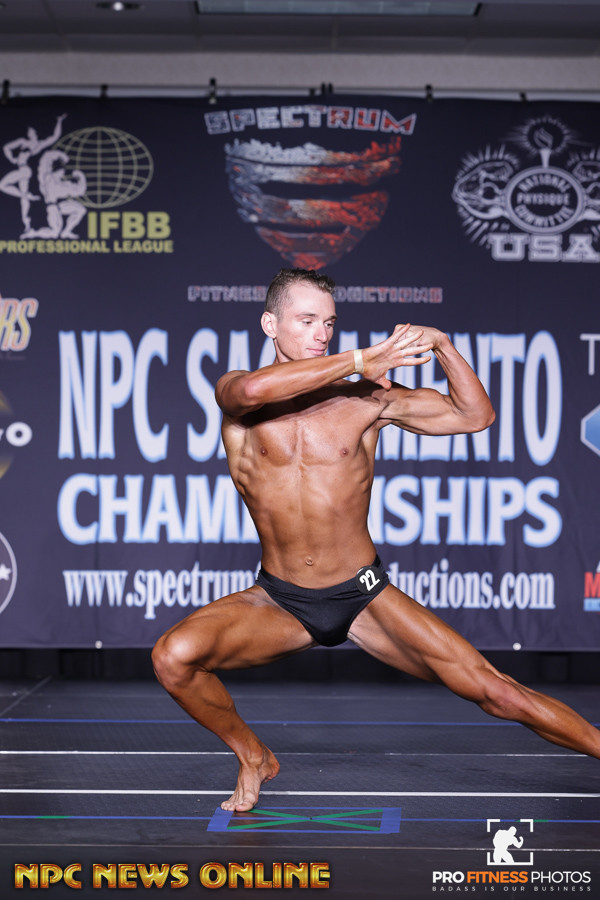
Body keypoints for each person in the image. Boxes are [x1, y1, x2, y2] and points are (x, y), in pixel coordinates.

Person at [153, 267, 600, 813]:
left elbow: (475, 415)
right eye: (307, 320)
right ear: (270, 324)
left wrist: (442, 345)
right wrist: (363, 358)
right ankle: (254, 756)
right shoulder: (240, 393)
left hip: (363, 594)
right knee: (173, 658)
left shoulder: (366, 399)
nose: (321, 333)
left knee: (498, 693)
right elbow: (250, 390)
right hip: (280, 600)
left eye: (329, 323)